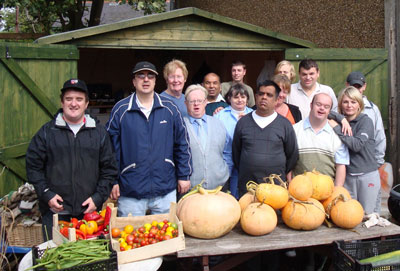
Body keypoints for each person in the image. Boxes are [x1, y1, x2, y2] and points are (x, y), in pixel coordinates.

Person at [26, 78, 118, 240]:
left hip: (88, 214)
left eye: (79, 99)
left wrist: (97, 198)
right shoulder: (47, 132)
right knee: (55, 259)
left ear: (87, 104)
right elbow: (33, 167)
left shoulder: (99, 133)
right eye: (69, 99)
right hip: (56, 213)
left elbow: (109, 170)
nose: (74, 104)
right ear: (62, 103)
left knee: (87, 260)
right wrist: (47, 194)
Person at [106, 61, 192, 217]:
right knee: (130, 239)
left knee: (166, 238)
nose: (146, 80)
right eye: (141, 76)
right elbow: (110, 149)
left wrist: (184, 176)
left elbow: (182, 143)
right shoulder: (121, 110)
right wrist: (113, 181)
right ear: (134, 81)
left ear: (155, 81)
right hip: (131, 191)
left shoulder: (169, 108)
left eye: (150, 76)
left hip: (165, 190)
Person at [232, 80, 298, 197]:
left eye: (269, 95)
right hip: (248, 188)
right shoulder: (243, 122)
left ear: (277, 100)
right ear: (256, 96)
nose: (264, 97)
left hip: (275, 189)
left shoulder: (284, 125)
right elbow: (236, 153)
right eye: (261, 94)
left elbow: (292, 155)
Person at [329, 86, 380, 214]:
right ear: (340, 104)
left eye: (353, 102)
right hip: (348, 177)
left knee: (369, 215)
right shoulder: (340, 121)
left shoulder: (365, 121)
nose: (349, 105)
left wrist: (337, 129)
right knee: (349, 215)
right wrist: (341, 119)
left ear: (359, 104)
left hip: (367, 175)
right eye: (345, 102)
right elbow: (322, 111)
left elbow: (356, 145)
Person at [346, 71, 386, 213]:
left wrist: (377, 162)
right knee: (349, 212)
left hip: (368, 168)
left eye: (359, 86)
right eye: (353, 86)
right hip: (348, 170)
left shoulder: (372, 110)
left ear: (364, 87)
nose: (357, 89)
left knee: (370, 212)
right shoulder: (341, 110)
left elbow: (379, 136)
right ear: (347, 86)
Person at [292, 93, 349, 185]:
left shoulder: (337, 133)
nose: (322, 108)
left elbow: (341, 166)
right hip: (300, 191)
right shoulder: (295, 130)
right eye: (318, 104)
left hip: (327, 192)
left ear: (330, 111)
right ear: (311, 105)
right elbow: (289, 163)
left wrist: (337, 191)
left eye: (326, 106)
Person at [184, 84, 232, 190]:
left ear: (205, 102)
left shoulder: (218, 123)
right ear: (186, 103)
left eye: (200, 101)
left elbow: (228, 151)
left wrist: (226, 172)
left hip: (220, 186)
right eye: (192, 101)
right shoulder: (180, 126)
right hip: (191, 188)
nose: (196, 104)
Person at [215, 84, 253, 198]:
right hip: (226, 159)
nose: (240, 100)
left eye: (243, 97)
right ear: (229, 99)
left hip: (246, 159)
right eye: (236, 97)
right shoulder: (220, 115)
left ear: (247, 99)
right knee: (224, 194)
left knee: (243, 193)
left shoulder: (253, 114)